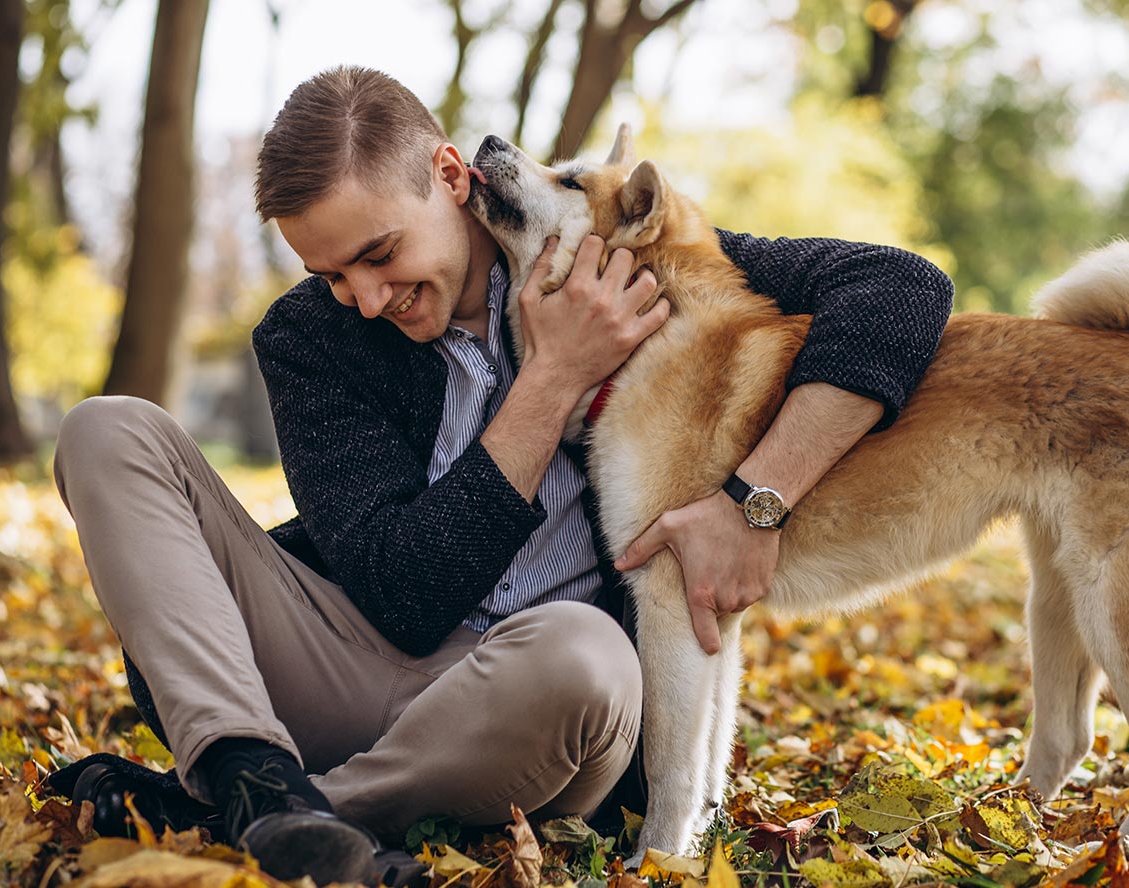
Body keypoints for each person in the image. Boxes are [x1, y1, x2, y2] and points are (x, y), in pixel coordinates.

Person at [48, 66, 953, 885]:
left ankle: (275, 815)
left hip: (535, 708)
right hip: (353, 661)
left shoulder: (618, 253)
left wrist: (752, 505)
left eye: (377, 254)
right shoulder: (308, 337)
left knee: (587, 654)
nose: (365, 298)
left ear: (450, 177)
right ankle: (253, 778)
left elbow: (903, 289)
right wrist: (554, 378)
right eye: (329, 274)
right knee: (107, 429)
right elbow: (403, 593)